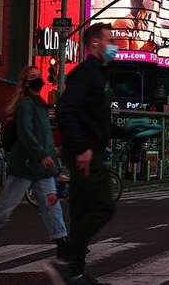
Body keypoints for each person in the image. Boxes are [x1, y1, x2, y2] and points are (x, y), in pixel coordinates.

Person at [45, 23, 130, 285]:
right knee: (103, 206)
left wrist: (127, 131)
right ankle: (65, 262)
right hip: (85, 154)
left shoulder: (99, 75)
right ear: (95, 44)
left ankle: (75, 272)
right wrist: (82, 148)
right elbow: (65, 111)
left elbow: (95, 121)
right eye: (110, 40)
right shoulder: (86, 73)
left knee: (82, 211)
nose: (114, 46)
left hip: (89, 150)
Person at [0, 66, 69, 264]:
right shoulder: (27, 104)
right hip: (25, 165)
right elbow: (25, 133)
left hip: (41, 167)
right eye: (33, 77)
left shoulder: (39, 104)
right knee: (7, 205)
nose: (38, 79)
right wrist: (43, 155)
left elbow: (46, 139)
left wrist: (54, 167)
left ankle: (62, 243)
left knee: (51, 205)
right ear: (25, 83)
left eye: (39, 76)